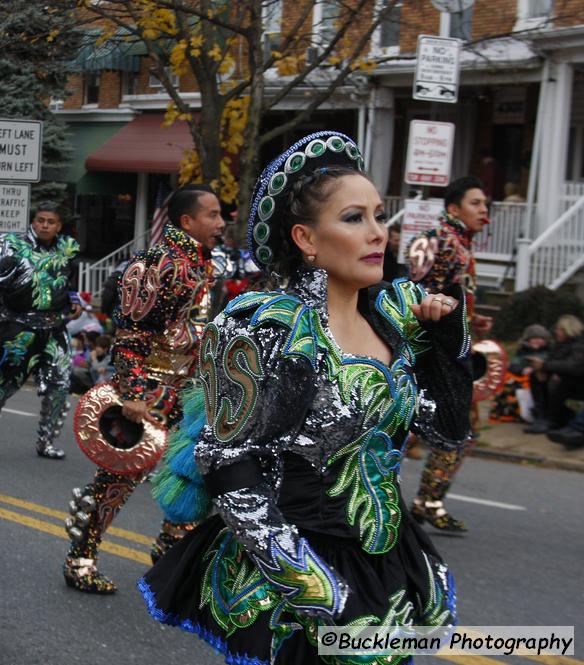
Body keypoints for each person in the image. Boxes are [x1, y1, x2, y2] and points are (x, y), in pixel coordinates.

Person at [138, 132, 471, 664]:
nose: (377, 234)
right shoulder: (267, 327)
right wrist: (310, 585)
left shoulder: (396, 320)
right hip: (296, 568)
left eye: (380, 216)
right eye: (354, 218)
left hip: (385, 561)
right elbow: (229, 465)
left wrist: (447, 344)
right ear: (306, 238)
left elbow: (448, 430)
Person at [63, 184, 224, 594]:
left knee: (189, 474)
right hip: (151, 391)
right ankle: (81, 557)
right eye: (214, 215)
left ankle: (171, 555)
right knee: (118, 480)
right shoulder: (156, 264)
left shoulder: (203, 264)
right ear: (187, 221)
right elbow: (131, 335)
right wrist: (133, 393)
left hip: (192, 393)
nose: (221, 223)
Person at [406, 175, 491, 533]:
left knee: (462, 431)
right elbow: (415, 293)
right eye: (476, 204)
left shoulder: (462, 244)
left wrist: (472, 320)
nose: (484, 211)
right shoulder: (434, 240)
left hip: (453, 347)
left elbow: (452, 297)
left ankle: (429, 500)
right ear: (454, 208)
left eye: (486, 205)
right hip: (430, 351)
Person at [0, 203, 81, 459]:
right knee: (2, 384)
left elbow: (68, 281)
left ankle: (46, 441)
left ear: (58, 226)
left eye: (51, 222)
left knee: (60, 385)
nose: (45, 225)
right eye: (41, 220)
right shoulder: (13, 247)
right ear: (33, 221)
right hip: (18, 327)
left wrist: (74, 300)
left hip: (54, 328)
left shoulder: (66, 249)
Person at [524, 315, 584, 434]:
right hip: (566, 380)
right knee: (536, 376)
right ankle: (543, 415)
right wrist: (542, 369)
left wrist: (546, 366)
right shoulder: (559, 345)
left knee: (563, 378)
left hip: (578, 383)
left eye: (559, 329)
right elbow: (553, 361)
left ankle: (553, 419)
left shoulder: (580, 345)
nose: (556, 332)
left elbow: (574, 367)